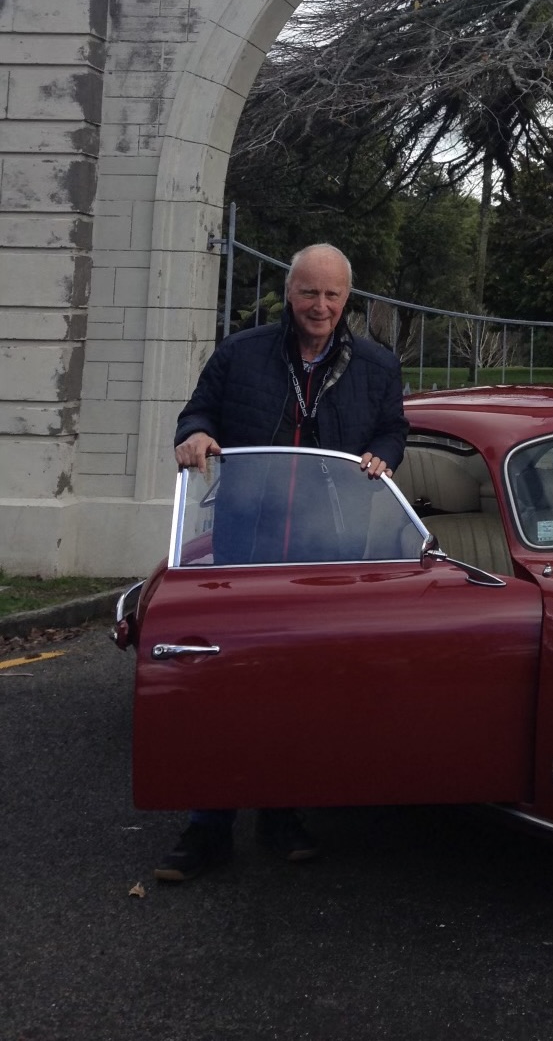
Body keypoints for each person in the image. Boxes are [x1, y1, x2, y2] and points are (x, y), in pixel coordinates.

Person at [154, 243, 407, 883]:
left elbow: (393, 430)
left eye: (332, 296)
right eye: (308, 293)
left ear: (348, 299)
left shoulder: (377, 365)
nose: (319, 307)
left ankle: (282, 810)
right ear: (288, 293)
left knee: (299, 685)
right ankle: (207, 825)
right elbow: (198, 410)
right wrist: (196, 433)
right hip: (246, 543)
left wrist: (383, 454)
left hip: (327, 548)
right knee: (226, 683)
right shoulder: (240, 354)